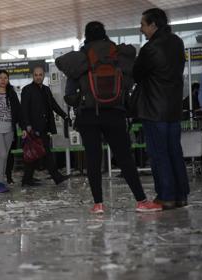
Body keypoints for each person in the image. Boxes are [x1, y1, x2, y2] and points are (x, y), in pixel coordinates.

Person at [57, 21, 162, 213]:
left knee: (93, 158)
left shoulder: (81, 57)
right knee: (124, 157)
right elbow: (130, 81)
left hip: (88, 115)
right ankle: (141, 201)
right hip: (115, 113)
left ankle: (98, 204)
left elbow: (70, 92)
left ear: (87, 36)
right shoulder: (117, 53)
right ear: (104, 34)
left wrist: (79, 100)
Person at [133, 8, 189, 209]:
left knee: (159, 153)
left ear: (153, 25)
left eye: (143, 25)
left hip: (154, 110)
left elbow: (137, 74)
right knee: (175, 151)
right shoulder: (177, 42)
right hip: (173, 109)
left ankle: (165, 196)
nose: (141, 29)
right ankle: (180, 195)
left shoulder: (150, 48)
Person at [21, 66, 69, 186]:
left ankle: (27, 179)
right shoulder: (27, 89)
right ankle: (56, 177)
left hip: (45, 127)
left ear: (43, 76)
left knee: (35, 153)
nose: (38, 77)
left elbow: (53, 105)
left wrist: (65, 116)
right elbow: (24, 109)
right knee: (43, 153)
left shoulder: (46, 90)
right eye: (36, 75)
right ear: (33, 76)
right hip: (33, 128)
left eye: (40, 75)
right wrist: (26, 126)